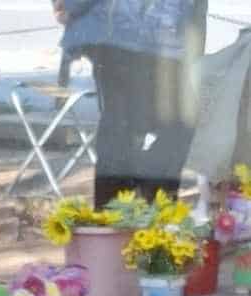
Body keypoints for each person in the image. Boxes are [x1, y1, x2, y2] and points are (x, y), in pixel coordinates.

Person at [56, 0, 208, 207]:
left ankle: (137, 200)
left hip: (158, 37)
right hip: (123, 33)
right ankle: (126, 206)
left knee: (171, 123)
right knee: (123, 125)